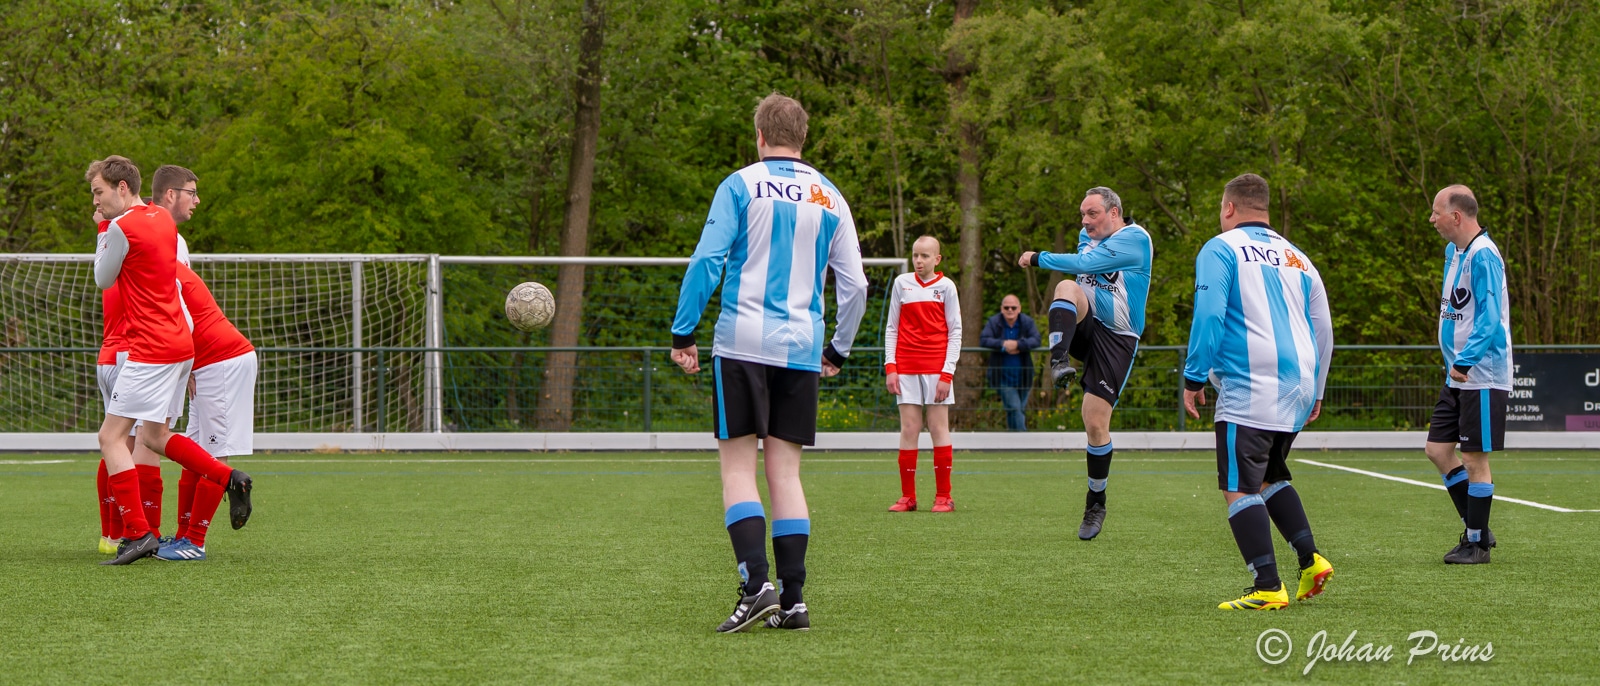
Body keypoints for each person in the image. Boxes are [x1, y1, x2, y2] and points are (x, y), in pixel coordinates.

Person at [670, 94, 868, 632]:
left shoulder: (740, 184)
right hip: (801, 348)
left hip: (741, 342)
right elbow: (856, 286)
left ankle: (756, 585)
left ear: (760, 136)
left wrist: (683, 332)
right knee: (785, 473)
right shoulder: (830, 196)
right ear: (803, 138)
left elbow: (707, 260)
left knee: (738, 469)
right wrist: (838, 349)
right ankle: (795, 599)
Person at [88, 155, 252, 565]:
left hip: (151, 347)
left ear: (121, 187)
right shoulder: (163, 220)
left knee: (111, 438)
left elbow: (103, 278)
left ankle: (137, 533)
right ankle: (229, 478)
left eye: (98, 192)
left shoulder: (121, 226)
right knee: (154, 437)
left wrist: (103, 229)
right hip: (181, 346)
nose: (96, 202)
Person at [1182, 173, 1334, 611]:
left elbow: (1209, 314)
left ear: (1229, 208)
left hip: (1251, 383)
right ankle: (1310, 560)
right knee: (1269, 475)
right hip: (1299, 383)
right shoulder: (1299, 258)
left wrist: (1193, 377)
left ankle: (1267, 586)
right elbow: (1323, 327)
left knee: (1238, 485)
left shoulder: (1221, 247)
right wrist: (1318, 388)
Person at [1017, 187, 1152, 540]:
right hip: (1086, 323)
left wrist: (1038, 257)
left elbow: (1087, 264)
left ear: (1114, 212)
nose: (1085, 221)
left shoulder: (1136, 239)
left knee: (1094, 423)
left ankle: (1096, 502)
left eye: (1093, 214)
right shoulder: (1085, 236)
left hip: (1117, 338)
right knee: (1066, 288)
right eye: (1082, 214)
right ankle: (1059, 362)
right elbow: (1080, 273)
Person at [145, 165, 258, 562]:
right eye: (191, 193)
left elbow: (184, 319)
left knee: (213, 454)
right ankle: (182, 536)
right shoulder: (162, 253)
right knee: (194, 452)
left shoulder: (165, 258)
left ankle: (195, 541)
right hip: (208, 362)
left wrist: (185, 365)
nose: (196, 200)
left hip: (221, 361)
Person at [1423, 184, 1511, 565]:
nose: (1432, 219)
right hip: (1457, 375)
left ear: (1456, 216)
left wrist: (1465, 360)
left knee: (1474, 458)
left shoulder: (1484, 255)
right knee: (1437, 450)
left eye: (1436, 212)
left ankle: (1476, 544)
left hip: (1481, 374)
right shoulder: (1453, 252)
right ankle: (1479, 527)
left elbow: (1490, 319)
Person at [883, 235, 961, 513]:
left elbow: (955, 331)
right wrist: (891, 367)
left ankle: (944, 496)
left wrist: (947, 373)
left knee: (938, 428)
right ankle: (908, 497)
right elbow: (892, 328)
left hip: (937, 369)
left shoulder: (947, 286)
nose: (918, 260)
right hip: (905, 368)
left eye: (925, 256)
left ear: (937, 259)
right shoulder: (901, 283)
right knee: (909, 429)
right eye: (915, 255)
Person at [979, 294, 1039, 432]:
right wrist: (1003, 344)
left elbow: (1036, 339)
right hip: (1002, 377)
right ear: (1002, 309)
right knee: (1014, 407)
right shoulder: (994, 322)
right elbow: (984, 339)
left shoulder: (1027, 322)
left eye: (1013, 307)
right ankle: (1023, 440)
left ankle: (1012, 439)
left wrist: (1018, 345)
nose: (1010, 310)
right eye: (1006, 307)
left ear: (1019, 308)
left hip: (1024, 376)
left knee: (1017, 409)